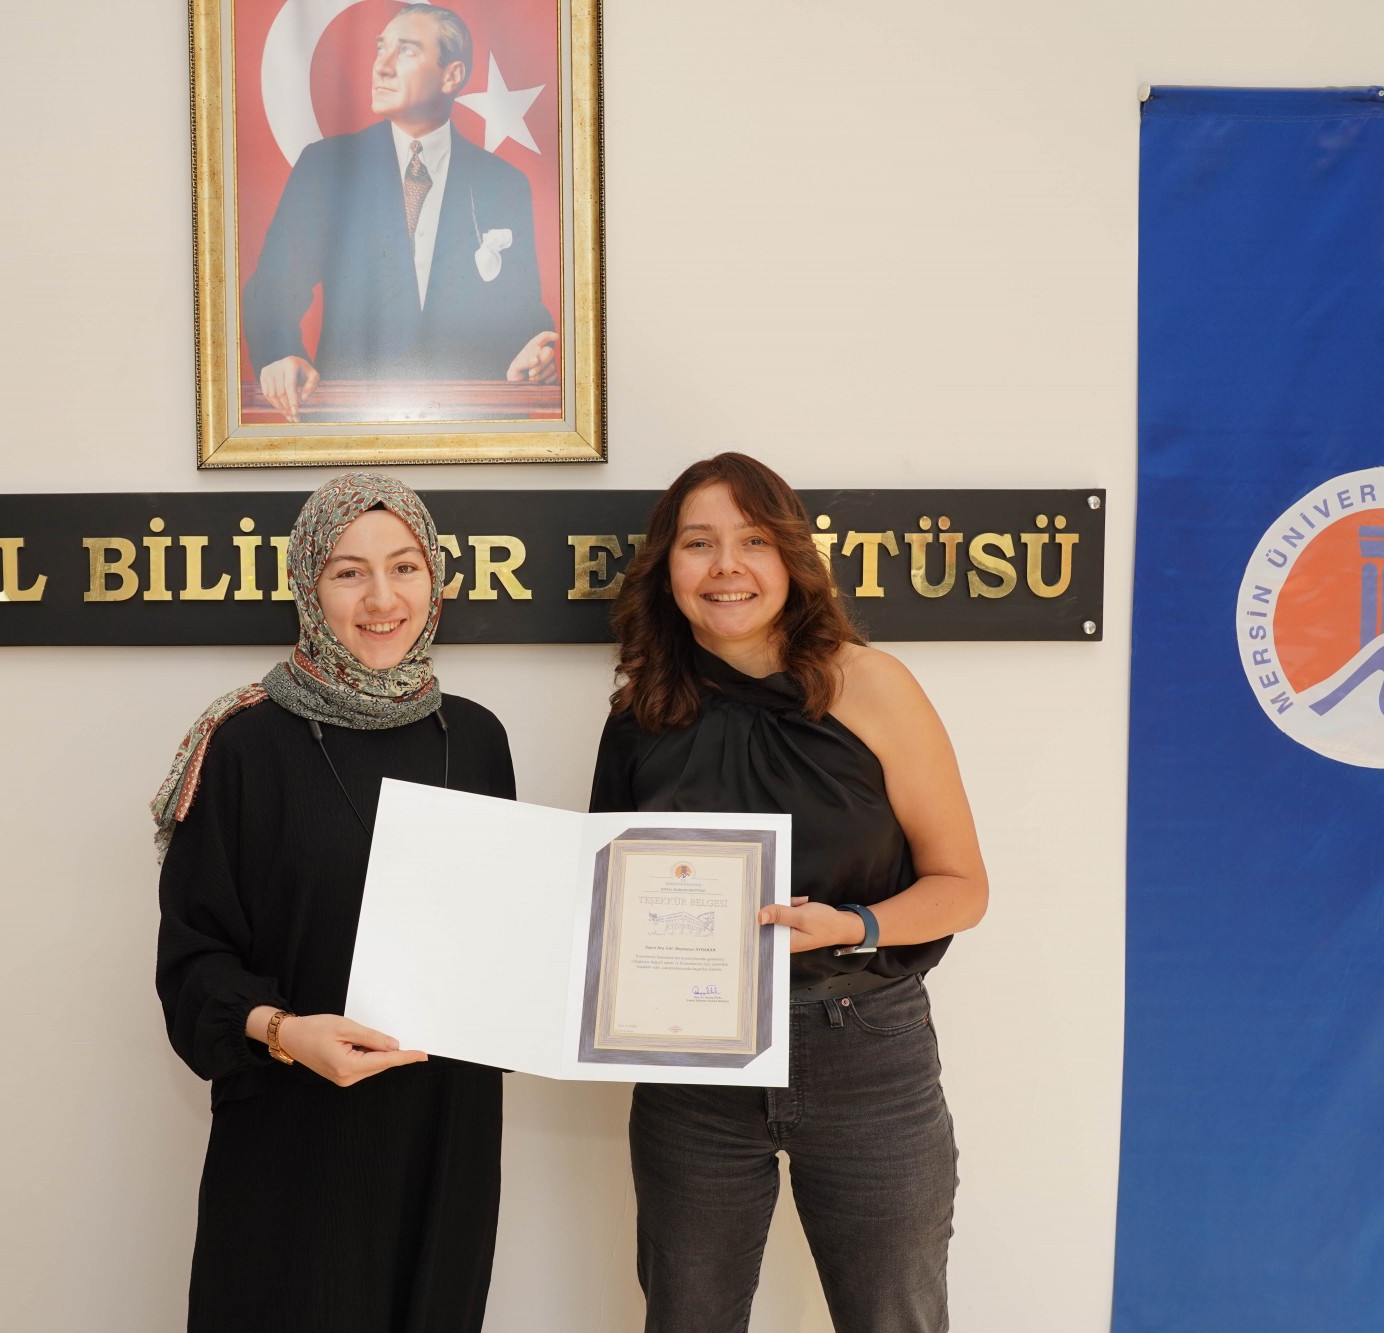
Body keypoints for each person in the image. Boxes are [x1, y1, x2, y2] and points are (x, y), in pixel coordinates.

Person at [589, 452, 989, 1333]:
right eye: (699, 543)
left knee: (895, 1318)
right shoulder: (640, 714)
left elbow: (963, 886)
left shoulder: (874, 686)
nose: (726, 566)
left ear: (792, 559)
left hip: (865, 1053)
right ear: (667, 568)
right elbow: (606, 905)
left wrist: (855, 923)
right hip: (693, 1071)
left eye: (754, 541)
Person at [153, 472, 515, 1332]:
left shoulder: (477, 736)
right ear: (309, 585)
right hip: (296, 1130)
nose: (382, 598)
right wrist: (284, 1031)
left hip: (446, 1134)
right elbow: (193, 961)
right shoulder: (243, 743)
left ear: (437, 579)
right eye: (349, 572)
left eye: (405, 566)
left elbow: (502, 928)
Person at [243, 3, 559, 421]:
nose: (382, 66)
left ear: (452, 76)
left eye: (407, 50)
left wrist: (534, 355)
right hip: (350, 427)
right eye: (381, 48)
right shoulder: (326, 167)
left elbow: (523, 311)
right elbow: (273, 288)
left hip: (471, 429)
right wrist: (279, 354)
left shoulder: (504, 183)